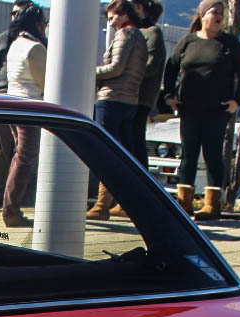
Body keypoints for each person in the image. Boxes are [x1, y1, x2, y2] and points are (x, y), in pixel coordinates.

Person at [162, 0, 240, 221]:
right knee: (189, 154)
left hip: (217, 111)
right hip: (189, 109)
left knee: (213, 154)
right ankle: (185, 203)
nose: (220, 16)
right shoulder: (187, 42)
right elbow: (171, 68)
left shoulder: (229, 43)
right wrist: (170, 97)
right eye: (215, 12)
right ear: (203, 16)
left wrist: (236, 102)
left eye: (222, 13)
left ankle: (213, 204)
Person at [88, 0, 147, 219]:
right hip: (131, 100)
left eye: (113, 17)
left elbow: (116, 67)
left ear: (124, 15)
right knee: (125, 153)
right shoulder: (141, 36)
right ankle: (125, 202)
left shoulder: (124, 35)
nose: (111, 23)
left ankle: (102, 205)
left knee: (106, 151)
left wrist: (90, 71)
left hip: (112, 98)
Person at [1, 3, 47, 227]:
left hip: (13, 103)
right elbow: (45, 83)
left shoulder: (15, 44)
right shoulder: (35, 47)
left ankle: (11, 208)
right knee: (25, 159)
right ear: (37, 24)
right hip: (30, 108)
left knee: (18, 158)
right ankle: (11, 211)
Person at [0, 2, 31, 202]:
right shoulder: (3, 39)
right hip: (2, 98)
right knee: (1, 151)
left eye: (20, 13)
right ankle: (1, 194)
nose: (16, 17)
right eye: (13, 13)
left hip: (26, 100)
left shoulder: (36, 42)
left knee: (24, 152)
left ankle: (17, 197)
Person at [132, 0, 167, 174]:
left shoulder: (152, 32)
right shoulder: (137, 31)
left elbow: (151, 66)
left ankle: (140, 184)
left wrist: (126, 73)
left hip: (141, 98)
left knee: (136, 143)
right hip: (131, 96)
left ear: (139, 7)